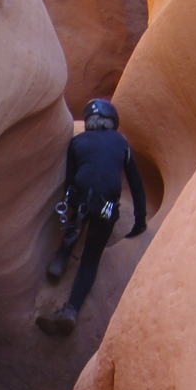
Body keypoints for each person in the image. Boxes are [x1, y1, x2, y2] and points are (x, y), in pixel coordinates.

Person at [37, 98, 147, 335]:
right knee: (90, 258)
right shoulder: (121, 143)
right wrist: (140, 220)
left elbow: (69, 182)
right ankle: (71, 310)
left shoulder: (77, 142)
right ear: (112, 121)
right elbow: (136, 183)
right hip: (106, 208)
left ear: (88, 121)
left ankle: (60, 260)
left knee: (80, 211)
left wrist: (73, 202)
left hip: (81, 202)